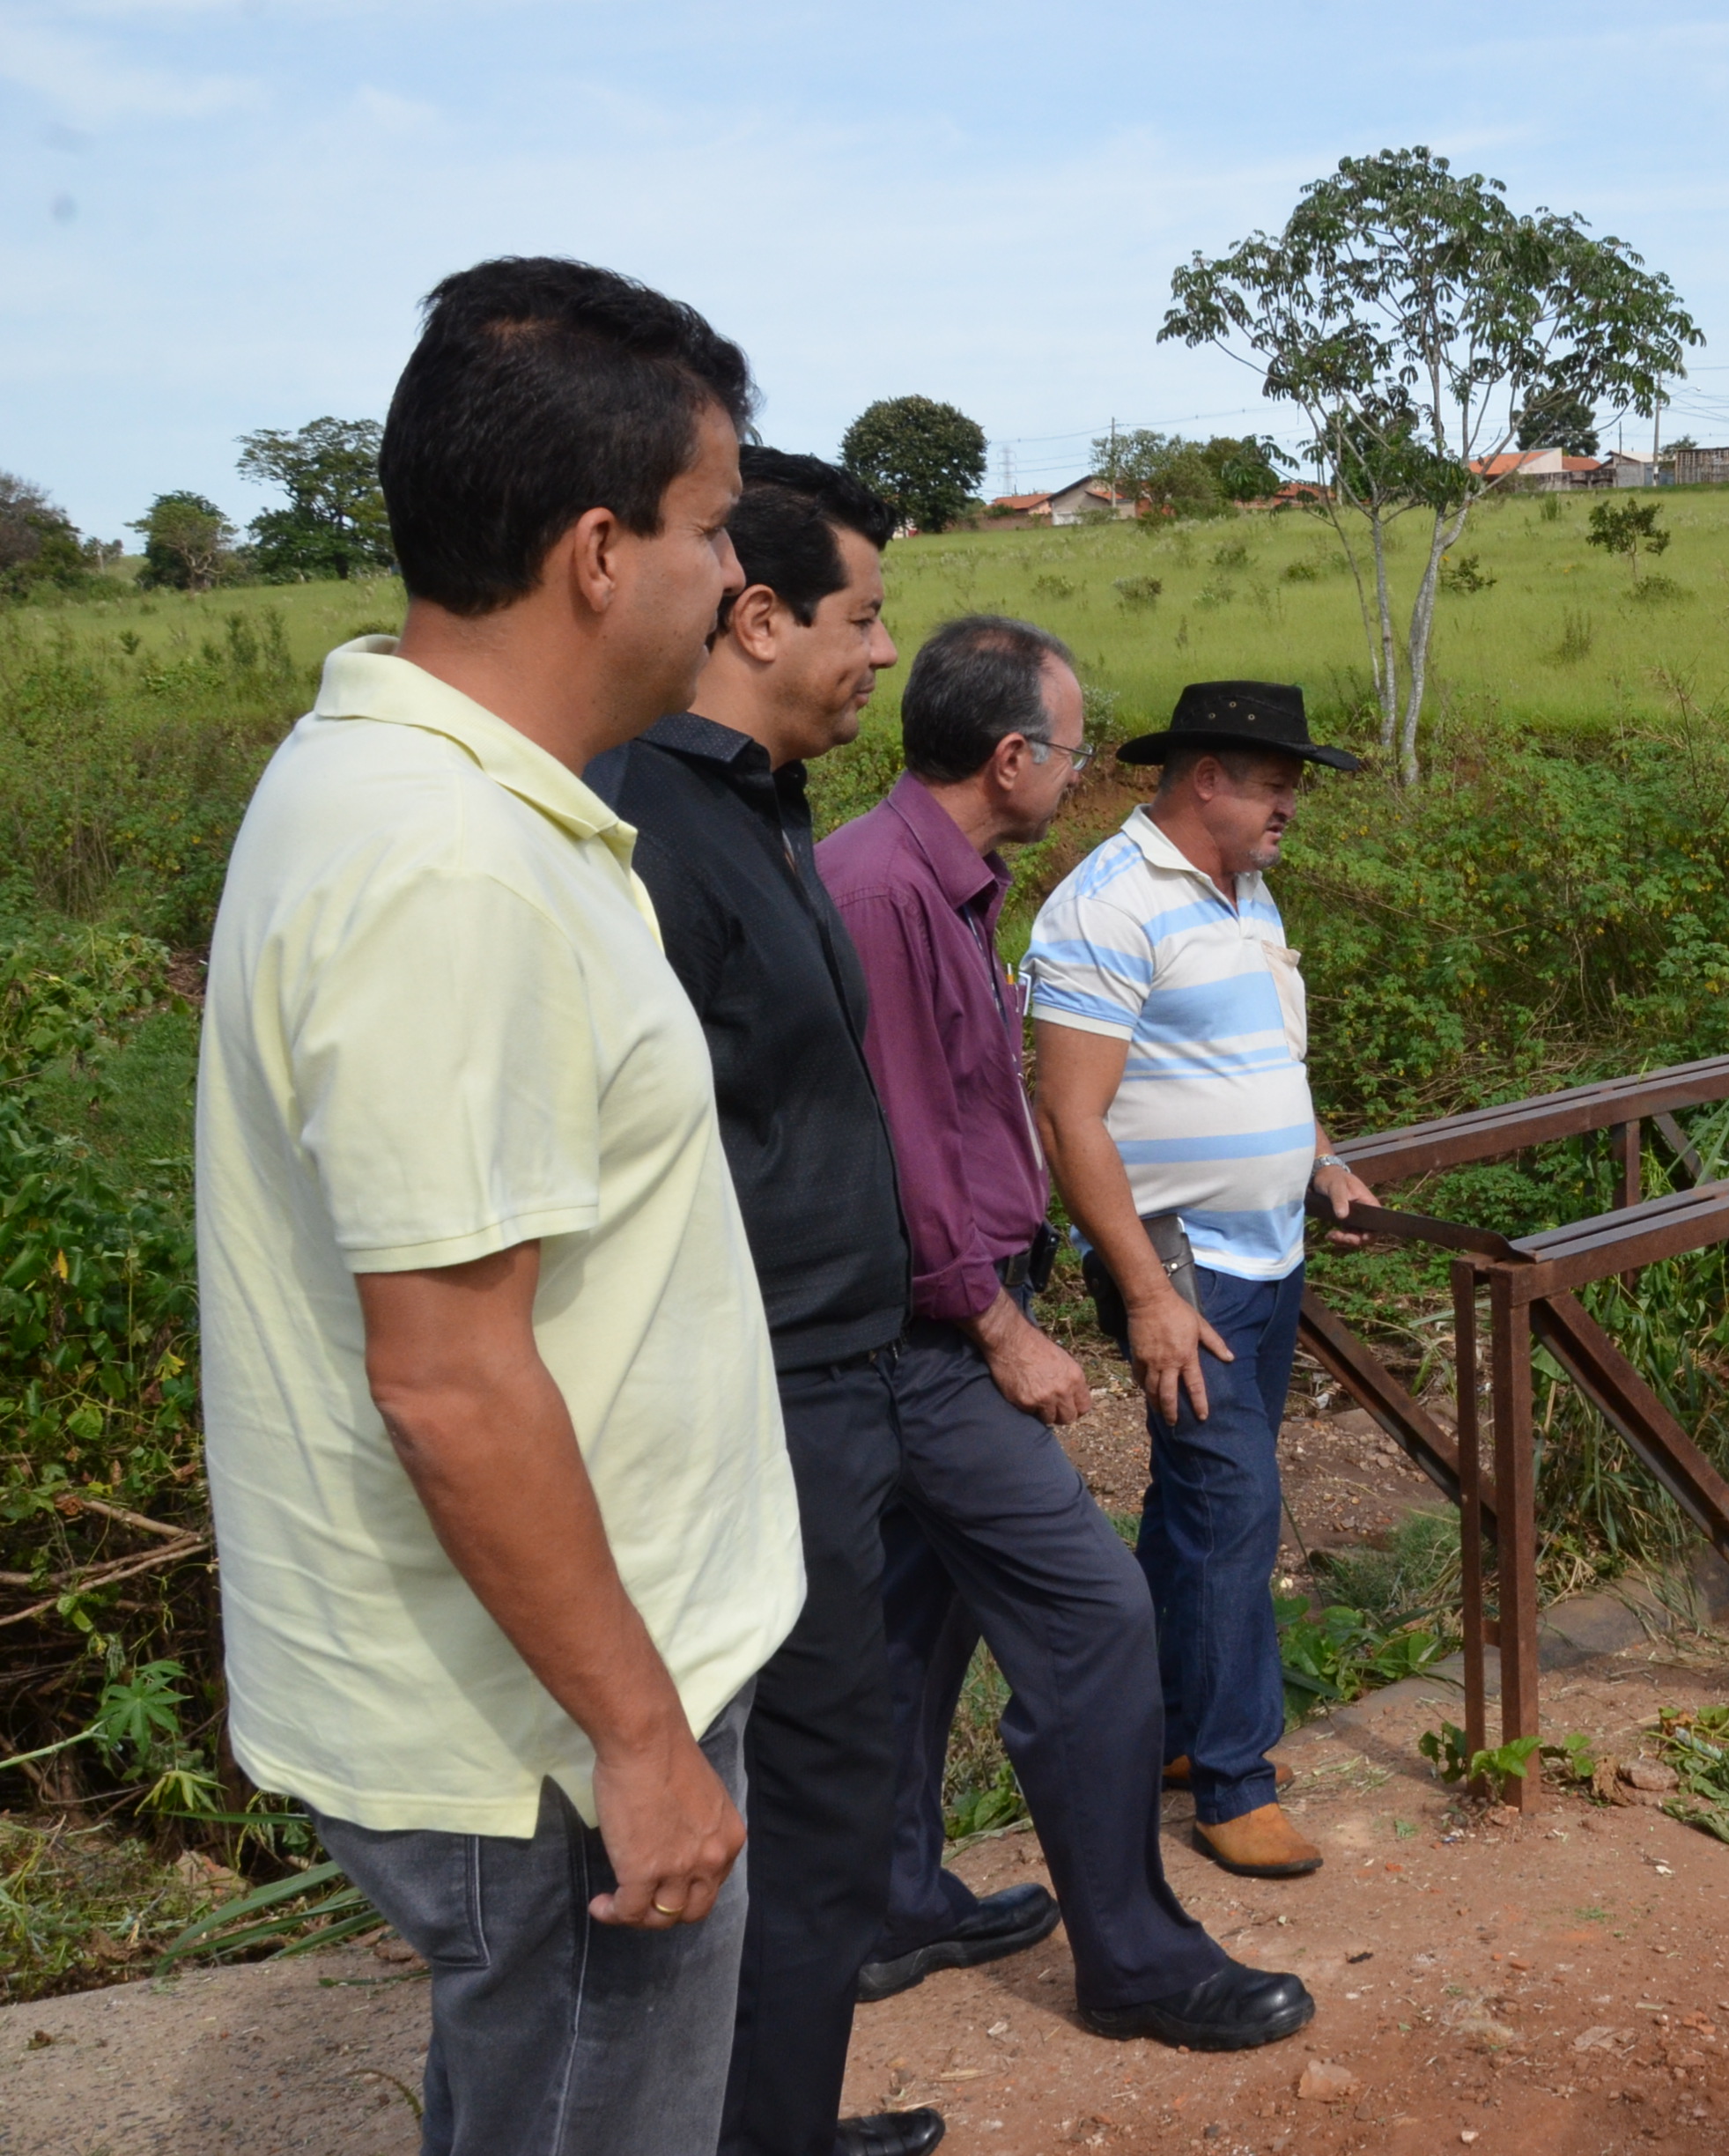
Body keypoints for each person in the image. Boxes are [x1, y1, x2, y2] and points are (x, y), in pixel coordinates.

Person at [196, 258, 799, 2156]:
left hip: (564, 1691)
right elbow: (449, 1378)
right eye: (714, 530)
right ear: (601, 552)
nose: (733, 580)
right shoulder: (447, 868)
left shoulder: (451, 799)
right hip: (544, 1738)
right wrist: (641, 1736)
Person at [817, 617, 1314, 2052]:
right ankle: (1143, 1949)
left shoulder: (944, 882)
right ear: (1013, 754)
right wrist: (996, 1319)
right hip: (937, 1327)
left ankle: (892, 1895)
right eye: (1076, 745)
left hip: (979, 1303)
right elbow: (904, 1143)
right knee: (1095, 1618)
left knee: (924, 1614)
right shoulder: (886, 893)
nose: (1083, 771)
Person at [584, 449, 942, 2156]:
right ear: (760, 613)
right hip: (765, 1396)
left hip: (839, 1376)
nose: (884, 651)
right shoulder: (651, 826)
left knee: (823, 1786)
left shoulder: (759, 805)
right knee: (808, 1794)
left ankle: (774, 2116)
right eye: (863, 616)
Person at [1023, 680, 1377, 1882]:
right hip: (1183, 1266)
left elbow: (1273, 1054)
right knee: (1233, 1511)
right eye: (1277, 785)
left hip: (1271, 1247)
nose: (1292, 808)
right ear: (1206, 780)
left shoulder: (1245, 889)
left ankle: (1172, 1728)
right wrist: (1146, 1296)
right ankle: (1234, 1781)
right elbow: (1069, 1118)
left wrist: (1322, 1158)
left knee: (1192, 1504)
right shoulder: (1109, 907)